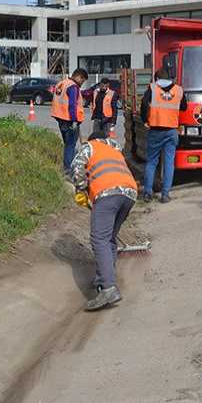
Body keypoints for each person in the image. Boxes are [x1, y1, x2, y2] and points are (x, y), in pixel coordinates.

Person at [71, 128, 138, 311]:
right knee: (109, 238)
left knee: (99, 238)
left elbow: (77, 169)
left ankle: (108, 287)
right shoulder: (114, 149)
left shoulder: (89, 147)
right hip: (130, 193)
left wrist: (81, 190)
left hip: (107, 193)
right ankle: (106, 278)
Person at [140, 68, 187, 203]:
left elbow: (144, 104)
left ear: (156, 78)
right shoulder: (178, 90)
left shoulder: (153, 88)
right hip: (171, 130)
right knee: (169, 163)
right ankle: (165, 194)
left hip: (155, 129)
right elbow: (184, 106)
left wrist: (144, 120)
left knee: (151, 162)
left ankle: (148, 193)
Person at [51, 68, 87, 176]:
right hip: (70, 121)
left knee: (68, 145)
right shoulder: (73, 86)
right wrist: (74, 121)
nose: (82, 83)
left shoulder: (61, 84)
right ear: (79, 77)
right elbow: (72, 105)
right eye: (82, 80)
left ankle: (68, 168)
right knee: (70, 146)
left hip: (61, 120)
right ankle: (68, 172)